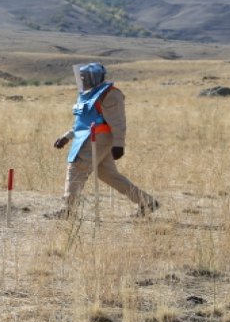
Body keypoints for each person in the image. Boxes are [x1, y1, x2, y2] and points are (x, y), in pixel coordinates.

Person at [51, 63, 159, 218]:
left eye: (85, 77)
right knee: (107, 174)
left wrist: (119, 144)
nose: (82, 80)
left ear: (93, 77)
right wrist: (67, 136)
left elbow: (118, 122)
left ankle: (68, 210)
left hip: (96, 139)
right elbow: (83, 122)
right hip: (88, 138)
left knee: (76, 168)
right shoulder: (88, 94)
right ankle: (147, 202)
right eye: (81, 77)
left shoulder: (110, 94)